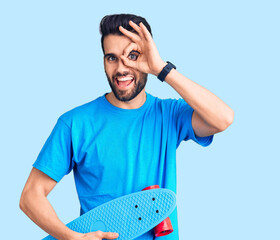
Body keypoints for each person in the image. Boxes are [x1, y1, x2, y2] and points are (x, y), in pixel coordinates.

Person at [19, 13, 234, 240]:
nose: (121, 68)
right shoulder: (75, 123)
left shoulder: (169, 115)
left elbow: (223, 118)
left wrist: (161, 68)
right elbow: (30, 197)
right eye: (111, 58)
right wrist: (70, 237)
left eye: (132, 55)